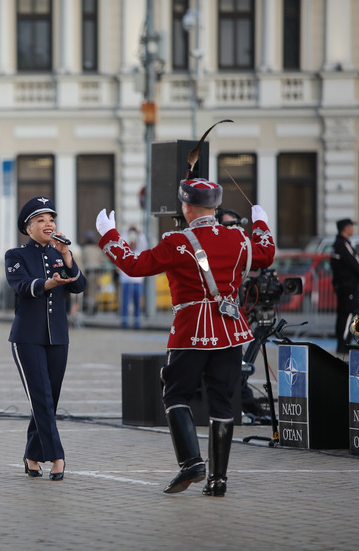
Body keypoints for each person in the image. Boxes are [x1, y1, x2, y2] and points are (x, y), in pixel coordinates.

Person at [96, 178, 276, 497]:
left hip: (192, 330)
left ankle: (192, 463)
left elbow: (135, 266)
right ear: (216, 206)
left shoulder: (176, 242)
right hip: (231, 329)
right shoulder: (237, 237)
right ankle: (218, 480)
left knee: (176, 394)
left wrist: (110, 235)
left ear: (187, 207)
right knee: (222, 402)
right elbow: (265, 254)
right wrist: (261, 223)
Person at [5, 197, 87, 481]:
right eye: (41, 220)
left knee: (48, 400)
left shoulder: (58, 254)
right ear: (28, 228)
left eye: (51, 219)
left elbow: (79, 286)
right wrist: (48, 283)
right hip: (27, 338)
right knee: (41, 399)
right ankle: (57, 456)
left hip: (58, 337)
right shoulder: (15, 255)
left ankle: (31, 455)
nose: (48, 224)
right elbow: (22, 286)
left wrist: (66, 256)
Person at [330, 218, 359, 353]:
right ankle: (344, 344)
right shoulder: (342, 244)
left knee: (344, 314)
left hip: (344, 286)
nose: (353, 228)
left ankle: (342, 342)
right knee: (348, 314)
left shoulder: (337, 244)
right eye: (351, 226)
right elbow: (354, 261)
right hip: (348, 286)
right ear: (346, 228)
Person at [119, 226, 148, 328]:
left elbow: (144, 244)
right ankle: (124, 321)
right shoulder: (126, 253)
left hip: (137, 282)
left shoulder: (139, 252)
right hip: (126, 281)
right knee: (125, 303)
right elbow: (121, 243)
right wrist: (126, 231)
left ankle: (137, 322)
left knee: (137, 303)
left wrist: (139, 232)